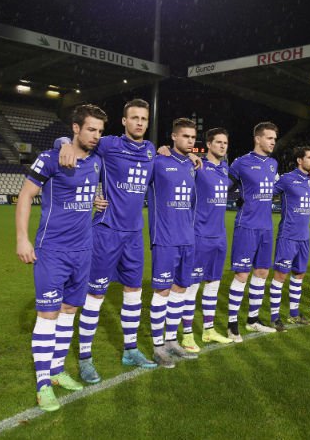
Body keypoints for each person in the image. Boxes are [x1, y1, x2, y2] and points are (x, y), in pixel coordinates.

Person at [56, 99, 160, 383]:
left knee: (133, 293)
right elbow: (78, 141)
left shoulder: (151, 150)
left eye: (144, 119)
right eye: (134, 118)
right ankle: (86, 357)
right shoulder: (109, 144)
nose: (139, 122)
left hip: (133, 235)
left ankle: (130, 350)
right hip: (106, 231)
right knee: (95, 295)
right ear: (124, 122)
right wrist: (63, 142)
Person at [15, 104, 106, 411]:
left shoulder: (96, 161)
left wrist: (94, 199)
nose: (95, 136)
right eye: (90, 129)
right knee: (48, 315)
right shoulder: (52, 157)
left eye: (100, 131)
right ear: (76, 128)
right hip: (52, 250)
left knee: (69, 311)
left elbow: (83, 187)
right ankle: (42, 385)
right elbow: (26, 196)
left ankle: (56, 372)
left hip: (83, 251)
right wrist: (22, 238)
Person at [146, 118, 200, 368]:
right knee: (162, 291)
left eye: (193, 137)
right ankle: (158, 346)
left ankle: (171, 341)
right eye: (186, 136)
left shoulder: (191, 165)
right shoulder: (158, 161)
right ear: (174, 137)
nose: (190, 140)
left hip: (187, 239)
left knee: (180, 290)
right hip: (165, 239)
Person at [226, 122, 279, 340]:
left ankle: (253, 320)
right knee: (242, 274)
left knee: (262, 273)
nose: (273, 142)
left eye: (275, 139)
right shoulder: (241, 163)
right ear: (257, 139)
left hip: (266, 226)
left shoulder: (273, 163)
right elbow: (223, 185)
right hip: (247, 225)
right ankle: (231, 325)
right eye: (269, 138)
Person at [192, 128, 234, 345]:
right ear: (208, 144)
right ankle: (187, 334)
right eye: (218, 142)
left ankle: (208, 329)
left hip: (219, 236)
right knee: (191, 285)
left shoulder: (225, 168)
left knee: (213, 283)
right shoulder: (197, 166)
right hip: (200, 235)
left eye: (225, 143)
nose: (222, 146)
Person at [269, 146, 310, 330]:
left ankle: (294, 314)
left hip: (304, 237)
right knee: (280, 275)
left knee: (299, 275)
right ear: (299, 160)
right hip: (288, 235)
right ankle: (274, 317)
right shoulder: (287, 179)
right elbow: (269, 192)